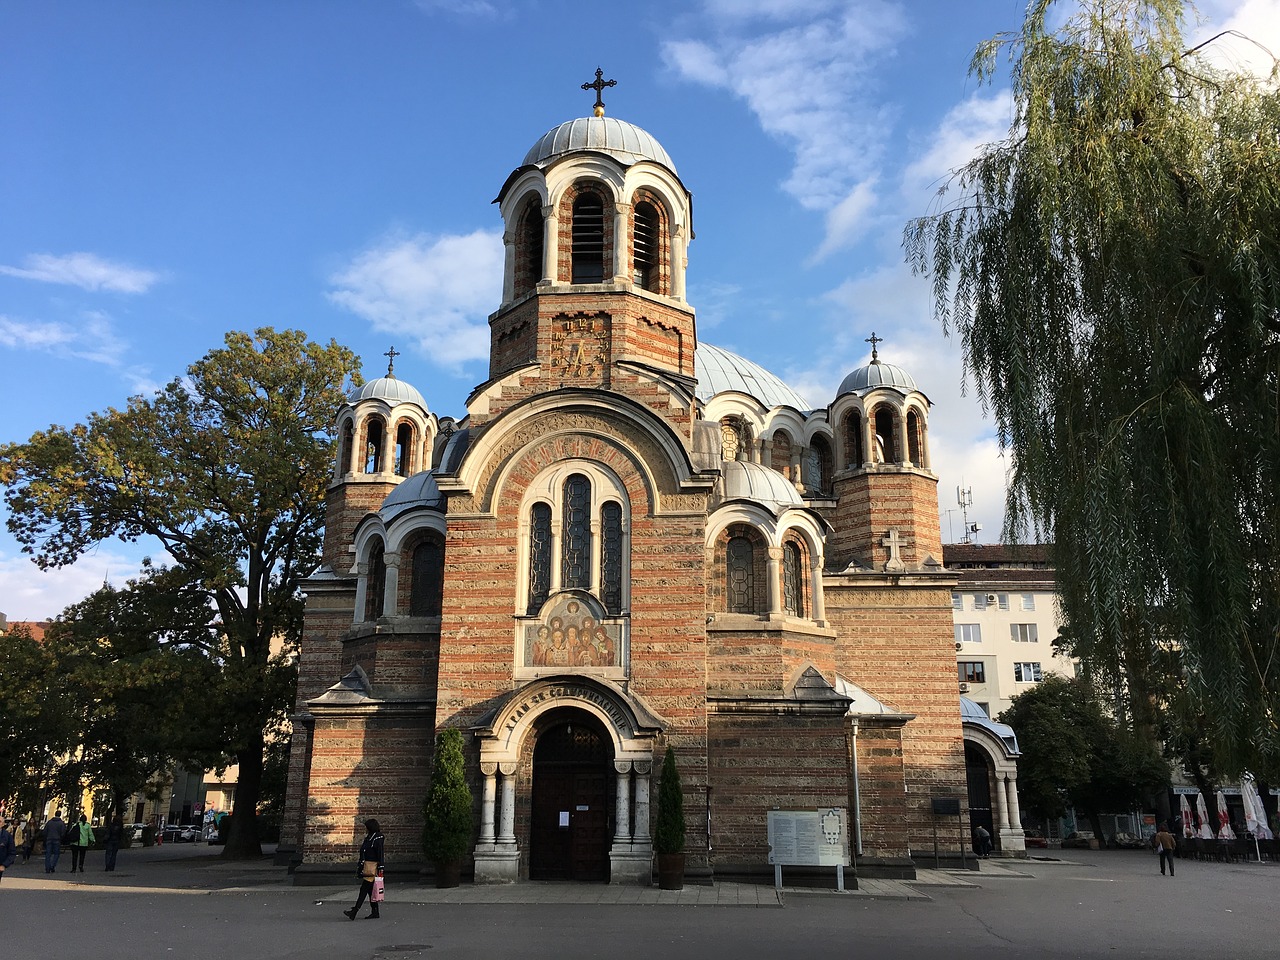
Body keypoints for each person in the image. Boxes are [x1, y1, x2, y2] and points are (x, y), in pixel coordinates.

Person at [343, 818, 385, 921]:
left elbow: (380, 853)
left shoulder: (377, 838)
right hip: (367, 866)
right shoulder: (369, 837)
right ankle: (375, 912)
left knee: (364, 889)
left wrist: (380, 867)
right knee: (370, 891)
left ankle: (354, 911)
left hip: (373, 867)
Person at [0, 818, 16, 883]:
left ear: (3, 824)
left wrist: (4, 865)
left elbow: (12, 852)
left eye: (0, 822)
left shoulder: (7, 836)